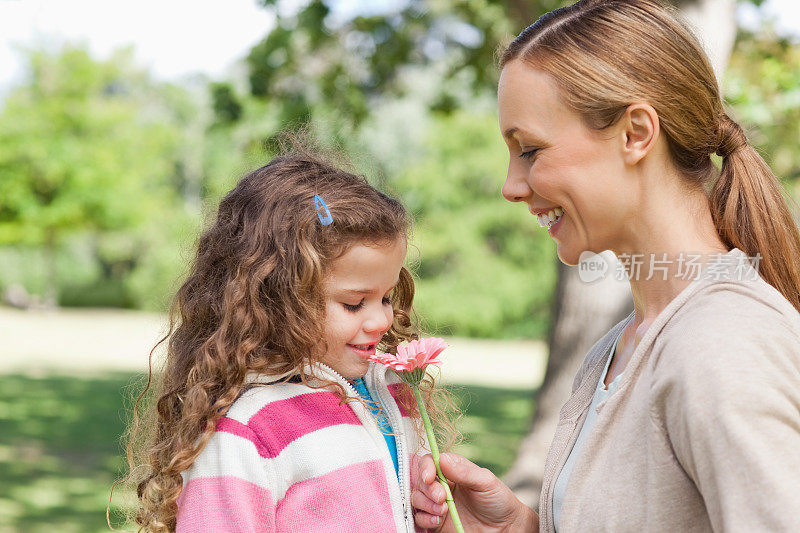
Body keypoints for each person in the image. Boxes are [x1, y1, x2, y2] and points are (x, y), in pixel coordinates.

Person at [412, 0, 800, 531]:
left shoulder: (720, 344)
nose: (510, 187)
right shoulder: (617, 350)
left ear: (636, 133)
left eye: (529, 150)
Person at [122, 145, 454, 532]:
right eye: (353, 304)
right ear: (280, 300)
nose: (382, 319)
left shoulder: (395, 395)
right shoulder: (250, 432)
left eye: (385, 297)